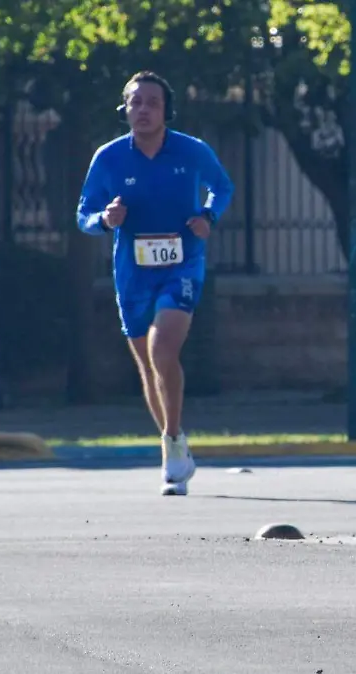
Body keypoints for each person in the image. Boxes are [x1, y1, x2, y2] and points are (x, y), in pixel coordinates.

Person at [76, 71, 234, 496]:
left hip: (182, 265)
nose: (143, 110)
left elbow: (222, 187)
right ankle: (174, 441)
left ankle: (173, 441)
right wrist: (104, 220)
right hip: (132, 272)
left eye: (152, 103)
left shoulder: (191, 150)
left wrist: (208, 217)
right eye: (135, 102)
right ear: (125, 109)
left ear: (167, 111)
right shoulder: (109, 157)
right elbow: (84, 213)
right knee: (148, 365)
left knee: (163, 348)